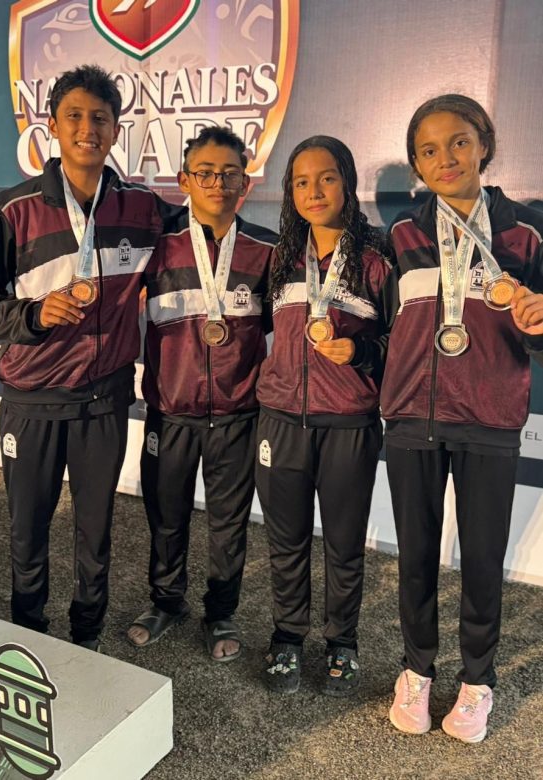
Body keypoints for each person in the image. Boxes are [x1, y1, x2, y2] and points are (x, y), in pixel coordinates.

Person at [0, 64, 172, 651]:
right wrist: (31, 315)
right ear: (51, 125)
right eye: (73, 116)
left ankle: (86, 635)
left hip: (104, 400)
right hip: (32, 400)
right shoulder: (15, 208)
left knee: (94, 533)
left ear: (116, 129)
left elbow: (198, 240)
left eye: (100, 118)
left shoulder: (143, 209)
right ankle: (30, 632)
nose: (87, 129)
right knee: (27, 531)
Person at [382, 94, 543, 742]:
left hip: (488, 419)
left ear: (484, 144)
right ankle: (416, 669)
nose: (444, 158)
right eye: (428, 150)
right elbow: (386, 324)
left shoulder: (524, 234)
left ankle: (478, 680)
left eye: (457, 141)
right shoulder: (403, 234)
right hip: (411, 419)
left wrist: (537, 323)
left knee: (480, 561)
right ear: (416, 165)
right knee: (416, 557)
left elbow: (535, 331)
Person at [127, 126, 277, 661]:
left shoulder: (266, 250)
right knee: (166, 515)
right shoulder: (156, 247)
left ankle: (221, 611)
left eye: (230, 173)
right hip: (170, 413)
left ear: (247, 183)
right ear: (184, 180)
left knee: (228, 523)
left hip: (238, 415)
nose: (218, 183)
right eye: (206, 173)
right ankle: (166, 602)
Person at [255, 135, 392, 694]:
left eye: (327, 178)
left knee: (343, 543)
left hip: (348, 423)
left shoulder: (377, 261)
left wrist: (359, 351)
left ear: (348, 183)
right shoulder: (280, 258)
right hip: (281, 419)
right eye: (301, 182)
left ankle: (342, 643)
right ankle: (288, 636)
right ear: (290, 192)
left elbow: (400, 345)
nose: (314, 191)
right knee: (286, 541)